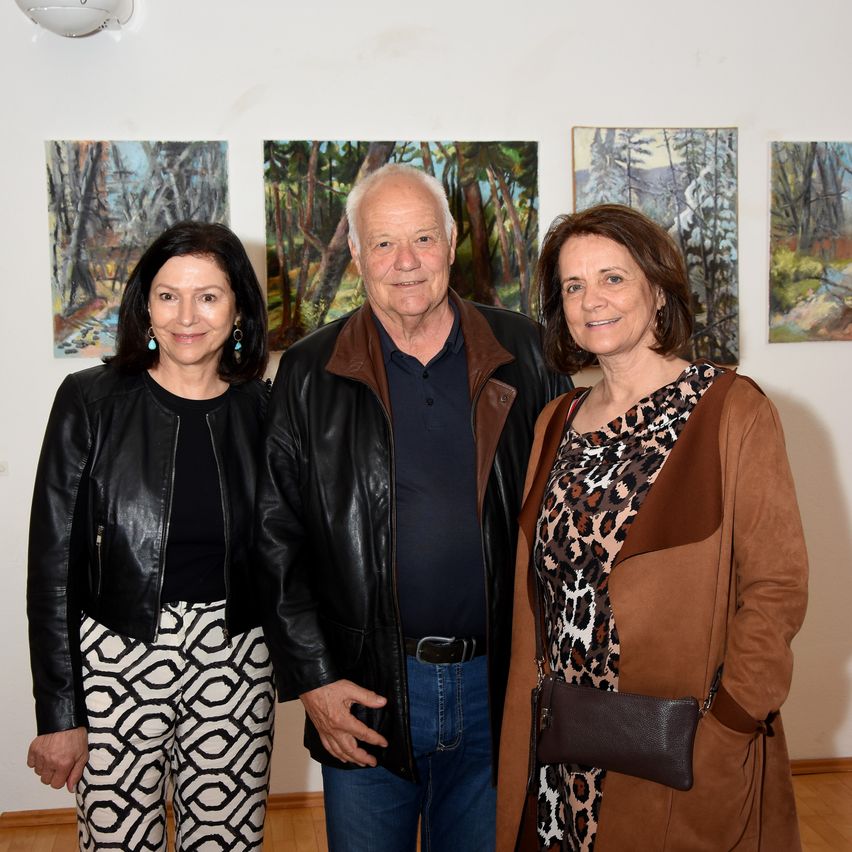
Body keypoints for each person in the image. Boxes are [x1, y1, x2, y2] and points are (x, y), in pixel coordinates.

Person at [254, 163, 570, 851]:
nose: (406, 262)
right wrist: (314, 680)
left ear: (452, 243)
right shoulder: (307, 372)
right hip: (366, 694)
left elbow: (568, 522)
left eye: (423, 238)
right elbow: (275, 541)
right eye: (384, 243)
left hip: (498, 688)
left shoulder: (526, 353)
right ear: (357, 252)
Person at [495, 203, 809, 851]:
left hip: (675, 753)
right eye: (574, 285)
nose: (592, 300)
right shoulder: (555, 421)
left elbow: (776, 591)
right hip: (560, 752)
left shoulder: (731, 411)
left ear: (659, 291)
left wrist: (729, 728)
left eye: (612, 278)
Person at [26, 222, 275, 851]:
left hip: (237, 658)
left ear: (239, 309)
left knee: (226, 842)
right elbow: (52, 566)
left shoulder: (266, 410)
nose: (186, 316)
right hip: (115, 654)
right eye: (168, 296)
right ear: (145, 307)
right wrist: (60, 713)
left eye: (208, 296)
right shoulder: (89, 400)